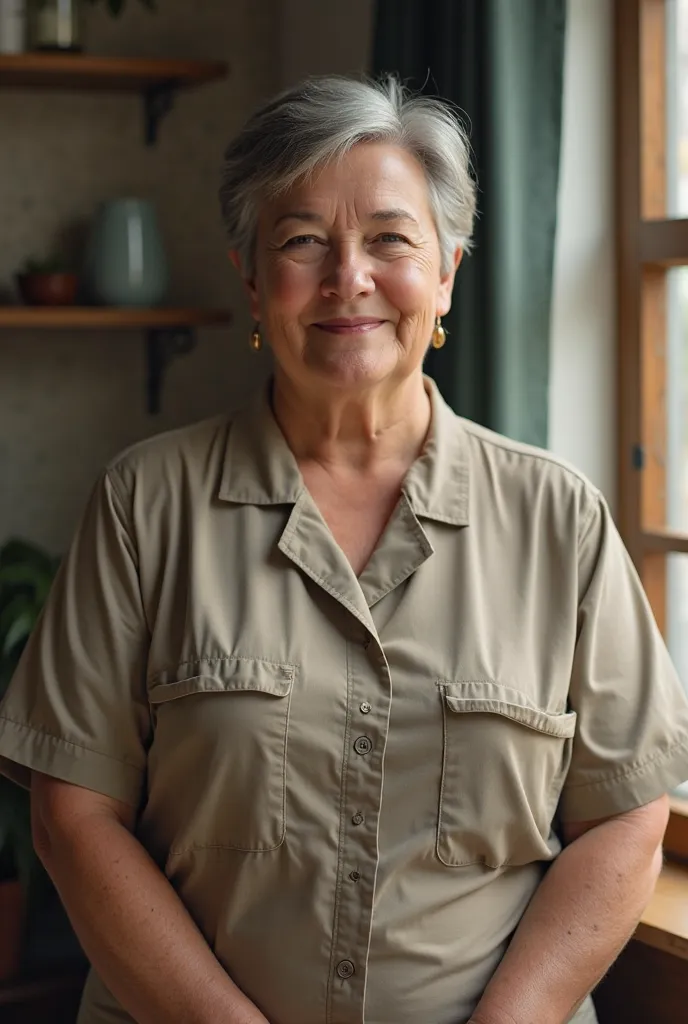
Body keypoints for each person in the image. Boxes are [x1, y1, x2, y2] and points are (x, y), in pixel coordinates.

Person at [1, 75, 687, 1024]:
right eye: (302, 242)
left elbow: (626, 813)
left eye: (391, 240)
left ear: (447, 270)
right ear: (250, 276)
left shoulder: (557, 517)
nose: (348, 278)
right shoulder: (142, 505)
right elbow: (72, 817)